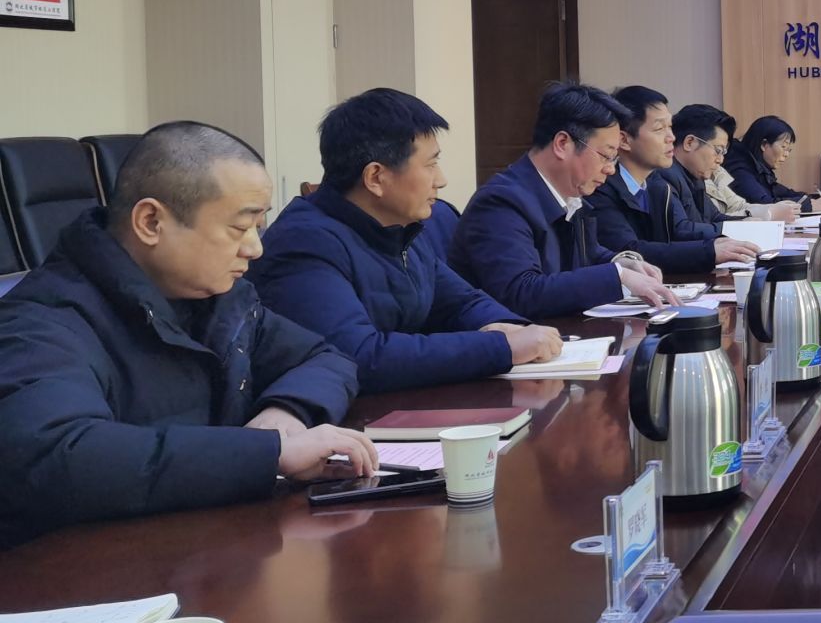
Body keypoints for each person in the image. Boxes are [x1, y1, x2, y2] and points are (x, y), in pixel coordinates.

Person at [0, 122, 371, 547]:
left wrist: (286, 412)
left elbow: (325, 358)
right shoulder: (43, 321)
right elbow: (56, 455)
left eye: (259, 225)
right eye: (239, 228)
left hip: (208, 549)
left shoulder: (221, 299)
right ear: (151, 222)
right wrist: (270, 454)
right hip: (81, 570)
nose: (255, 248)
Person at [250, 89, 563, 393]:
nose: (441, 180)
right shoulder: (304, 244)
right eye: (430, 164)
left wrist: (506, 326)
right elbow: (359, 356)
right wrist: (500, 347)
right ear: (376, 177)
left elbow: (461, 302)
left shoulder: (400, 228)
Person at [450, 83, 677, 319]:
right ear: (562, 144)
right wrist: (617, 276)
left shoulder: (570, 197)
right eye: (606, 156)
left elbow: (585, 253)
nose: (611, 169)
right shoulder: (501, 203)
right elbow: (521, 293)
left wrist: (621, 262)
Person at [588, 86, 758, 274]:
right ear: (624, 140)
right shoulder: (600, 187)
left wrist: (727, 238)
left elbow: (673, 241)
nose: (671, 137)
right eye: (659, 129)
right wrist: (709, 251)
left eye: (670, 127)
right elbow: (629, 251)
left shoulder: (656, 185)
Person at [702, 108, 797, 223]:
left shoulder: (717, 172)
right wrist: (768, 213)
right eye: (718, 150)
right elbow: (708, 222)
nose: (721, 159)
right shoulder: (737, 166)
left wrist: (804, 202)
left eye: (723, 151)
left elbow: (739, 205)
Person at [727, 115, 821, 210]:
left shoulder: (759, 167)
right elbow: (763, 204)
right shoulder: (738, 167)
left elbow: (778, 191)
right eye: (783, 147)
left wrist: (807, 199)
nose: (786, 154)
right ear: (764, 145)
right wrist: (809, 206)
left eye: (789, 150)